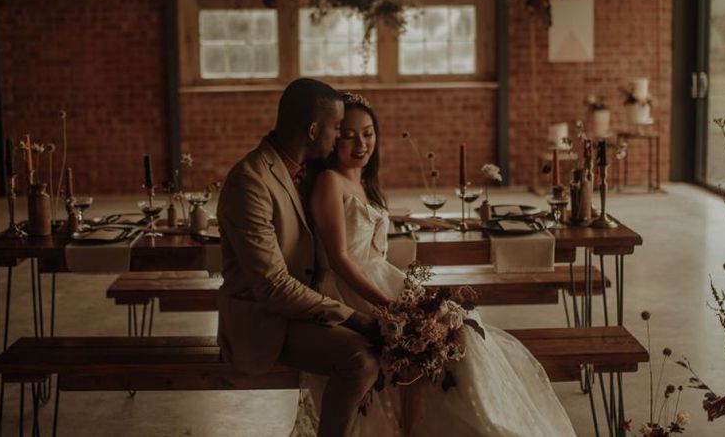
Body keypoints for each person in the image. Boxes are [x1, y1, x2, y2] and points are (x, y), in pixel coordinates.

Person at [293, 92, 578, 437]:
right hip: (350, 288)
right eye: (349, 135)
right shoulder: (329, 182)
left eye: (368, 133)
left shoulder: (362, 181)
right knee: (437, 337)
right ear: (333, 137)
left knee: (462, 328)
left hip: (380, 277)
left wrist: (422, 220)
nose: (361, 143)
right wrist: (390, 307)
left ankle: (477, 422)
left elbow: (365, 219)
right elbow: (339, 258)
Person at [217, 78, 381, 437]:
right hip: (263, 322)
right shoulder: (251, 182)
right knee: (360, 360)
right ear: (311, 130)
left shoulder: (305, 171)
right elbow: (273, 288)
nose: (341, 137)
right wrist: (357, 319)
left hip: (302, 308)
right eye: (337, 128)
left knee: (391, 349)